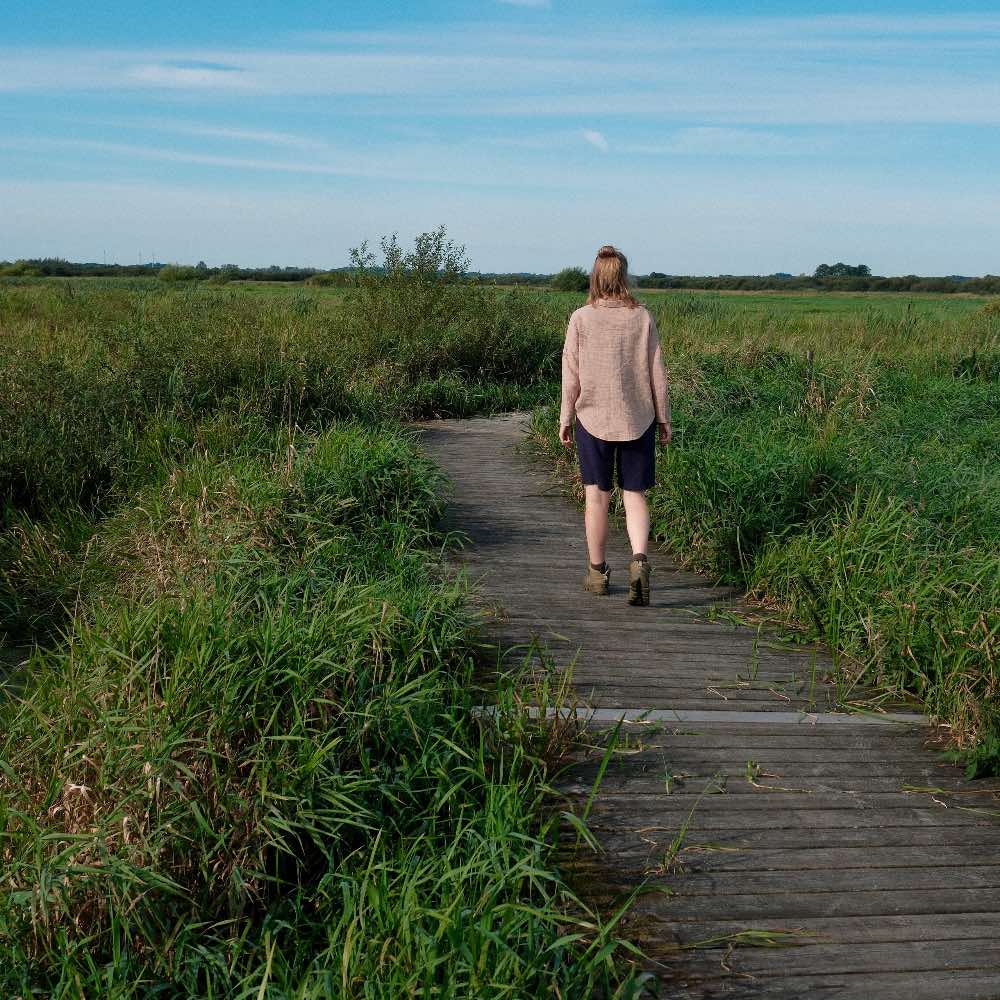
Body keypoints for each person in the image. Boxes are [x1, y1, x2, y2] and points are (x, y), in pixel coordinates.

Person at [559, 245, 671, 606]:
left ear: (596, 276)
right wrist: (664, 417)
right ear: (623, 277)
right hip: (639, 418)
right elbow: (657, 373)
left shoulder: (581, 318)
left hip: (592, 418)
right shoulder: (642, 317)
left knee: (597, 496)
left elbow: (570, 376)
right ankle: (639, 562)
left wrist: (564, 418)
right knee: (634, 495)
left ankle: (597, 573)